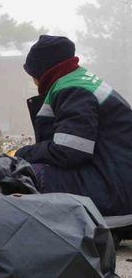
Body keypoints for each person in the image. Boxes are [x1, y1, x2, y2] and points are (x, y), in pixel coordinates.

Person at [14, 34, 132, 216]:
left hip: (113, 190)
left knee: (24, 176)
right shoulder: (79, 80)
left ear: (42, 72)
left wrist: (21, 154)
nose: (33, 81)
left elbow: (70, 150)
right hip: (116, 179)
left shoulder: (72, 90)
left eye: (32, 75)